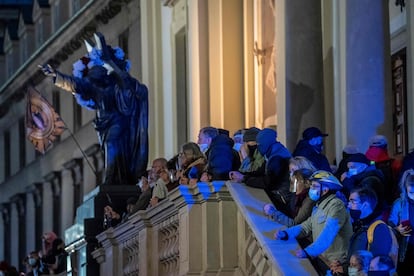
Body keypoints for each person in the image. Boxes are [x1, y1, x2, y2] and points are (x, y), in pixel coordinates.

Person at [39, 32, 148, 186]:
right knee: (109, 150)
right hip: (103, 125)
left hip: (119, 122)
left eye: (98, 67)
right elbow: (75, 84)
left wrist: (109, 63)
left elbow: (132, 88)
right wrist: (57, 75)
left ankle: (111, 179)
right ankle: (115, 178)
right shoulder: (94, 86)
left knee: (112, 145)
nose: (94, 70)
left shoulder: (119, 84)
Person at [275, 170, 352, 275]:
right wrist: (286, 233)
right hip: (322, 258)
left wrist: (308, 252)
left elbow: (328, 233)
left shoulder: (336, 206)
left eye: (314, 186)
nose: (311, 189)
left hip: (335, 264)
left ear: (325, 190)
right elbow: (306, 226)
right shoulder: (319, 205)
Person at [346, 187, 395, 266]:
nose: (349, 205)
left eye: (353, 201)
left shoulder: (379, 229)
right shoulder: (360, 225)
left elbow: (376, 265)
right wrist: (343, 266)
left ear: (365, 205)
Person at [253, 128, 292, 213]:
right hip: (283, 198)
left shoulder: (276, 158)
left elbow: (268, 182)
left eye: (259, 144)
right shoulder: (273, 154)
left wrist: (244, 179)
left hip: (282, 199)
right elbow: (259, 173)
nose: (258, 147)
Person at [388, 169, 414, 275]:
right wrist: (397, 229)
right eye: (411, 192)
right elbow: (390, 226)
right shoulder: (399, 204)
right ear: (405, 190)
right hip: (406, 250)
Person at [365, 135, 402, 204]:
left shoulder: (361, 163)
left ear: (370, 146)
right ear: (385, 147)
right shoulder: (395, 163)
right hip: (388, 201)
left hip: (367, 202)